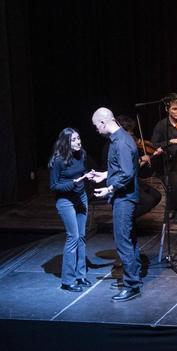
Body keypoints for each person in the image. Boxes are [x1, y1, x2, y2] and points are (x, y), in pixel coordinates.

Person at [88, 107, 143, 302]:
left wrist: (109, 189)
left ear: (103, 123)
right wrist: (104, 175)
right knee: (130, 239)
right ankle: (134, 279)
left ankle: (132, 286)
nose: (96, 130)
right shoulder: (120, 139)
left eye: (96, 126)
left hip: (124, 198)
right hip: (125, 196)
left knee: (123, 242)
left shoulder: (120, 143)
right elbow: (121, 169)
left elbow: (127, 174)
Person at [49, 128, 92, 292]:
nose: (78, 142)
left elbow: (82, 173)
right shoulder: (58, 160)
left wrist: (89, 175)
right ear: (66, 142)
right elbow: (54, 186)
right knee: (73, 236)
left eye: (79, 138)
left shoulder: (82, 154)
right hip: (65, 200)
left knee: (81, 236)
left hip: (81, 198)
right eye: (74, 140)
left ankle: (81, 275)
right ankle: (67, 280)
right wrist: (74, 182)